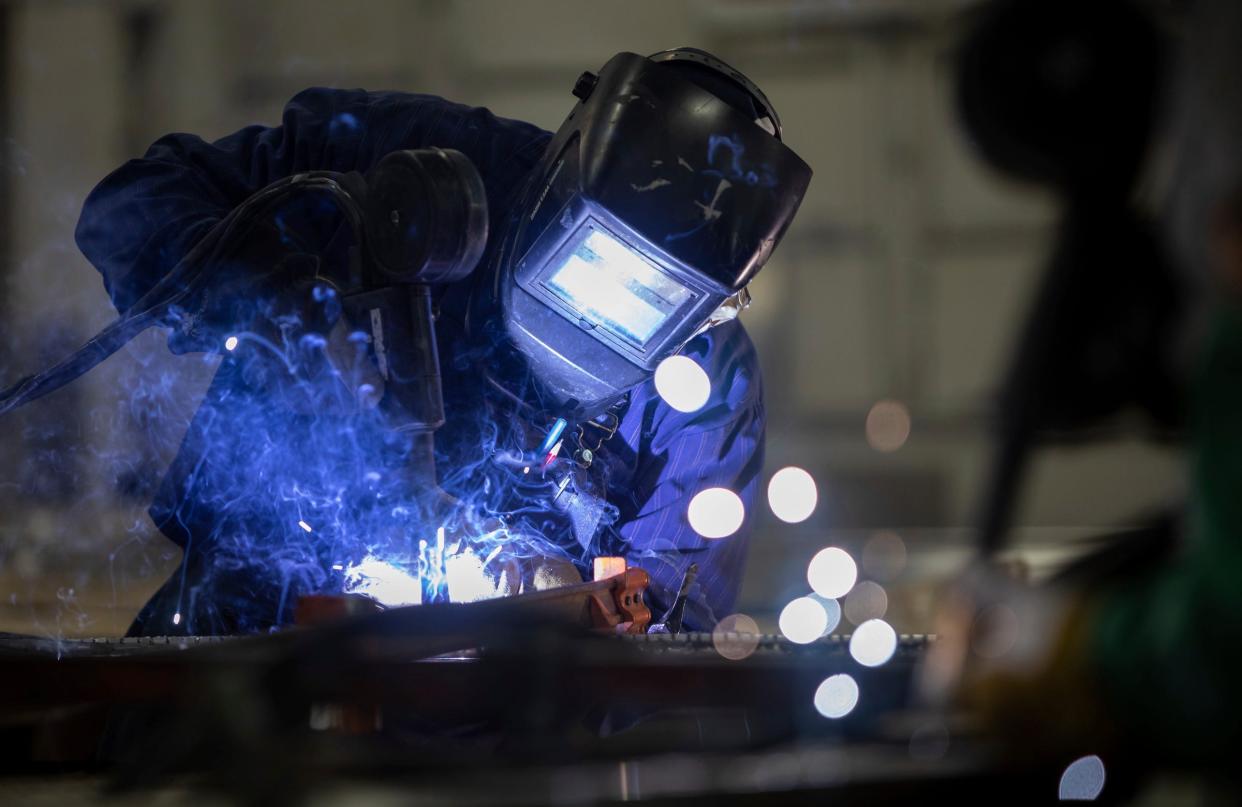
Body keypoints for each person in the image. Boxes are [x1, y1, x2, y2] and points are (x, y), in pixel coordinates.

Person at [74, 48, 811, 636]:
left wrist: (564, 600)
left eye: (653, 301)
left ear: (710, 306)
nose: (594, 320)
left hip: (521, 721)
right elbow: (133, 201)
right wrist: (279, 312)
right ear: (562, 178)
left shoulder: (708, 375)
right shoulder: (405, 163)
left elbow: (669, 626)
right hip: (250, 630)